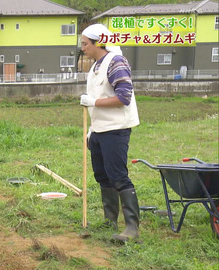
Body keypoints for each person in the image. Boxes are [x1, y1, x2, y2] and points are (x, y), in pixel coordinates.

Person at [79, 24, 140, 242]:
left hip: (116, 129)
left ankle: (132, 228)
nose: (82, 48)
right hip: (99, 129)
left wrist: (93, 102)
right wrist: (90, 131)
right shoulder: (96, 67)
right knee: (102, 175)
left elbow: (123, 97)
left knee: (118, 176)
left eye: (85, 44)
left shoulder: (116, 62)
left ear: (98, 42)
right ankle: (110, 219)